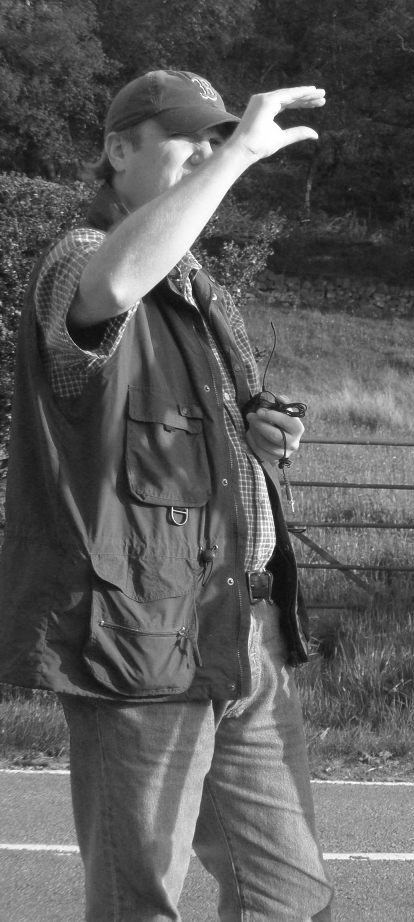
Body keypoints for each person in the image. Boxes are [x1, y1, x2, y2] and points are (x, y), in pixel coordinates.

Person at [0, 70, 333, 921]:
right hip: (143, 639)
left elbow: (201, 420)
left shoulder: (201, 290)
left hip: (241, 627)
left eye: (219, 140)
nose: (211, 155)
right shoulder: (77, 256)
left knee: (290, 898)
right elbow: (110, 292)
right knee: (140, 900)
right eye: (192, 139)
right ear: (119, 151)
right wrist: (244, 156)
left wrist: (257, 426)